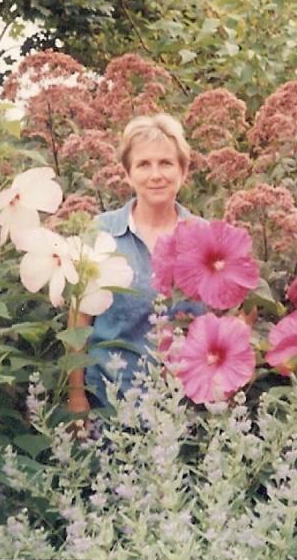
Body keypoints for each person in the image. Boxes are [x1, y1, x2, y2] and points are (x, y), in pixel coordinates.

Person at [67, 113, 201, 413]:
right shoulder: (101, 233)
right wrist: (75, 396)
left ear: (183, 170)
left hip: (184, 408)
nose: (156, 175)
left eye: (166, 163)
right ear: (127, 174)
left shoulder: (203, 237)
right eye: (143, 164)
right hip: (111, 402)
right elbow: (79, 320)